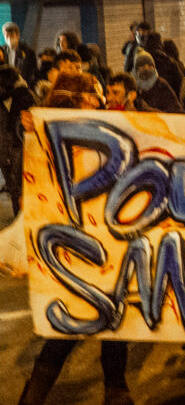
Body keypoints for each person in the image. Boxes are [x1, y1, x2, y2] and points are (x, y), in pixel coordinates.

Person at [18, 71, 131, 405]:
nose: (99, 98)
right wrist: (31, 128)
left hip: (106, 240)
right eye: (93, 93)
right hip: (73, 244)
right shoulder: (49, 134)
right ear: (78, 97)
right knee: (74, 323)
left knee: (112, 322)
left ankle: (116, 392)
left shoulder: (104, 125)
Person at [0, 65, 34, 211]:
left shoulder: (25, 98)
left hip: (21, 148)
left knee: (24, 190)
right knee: (14, 191)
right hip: (3, 150)